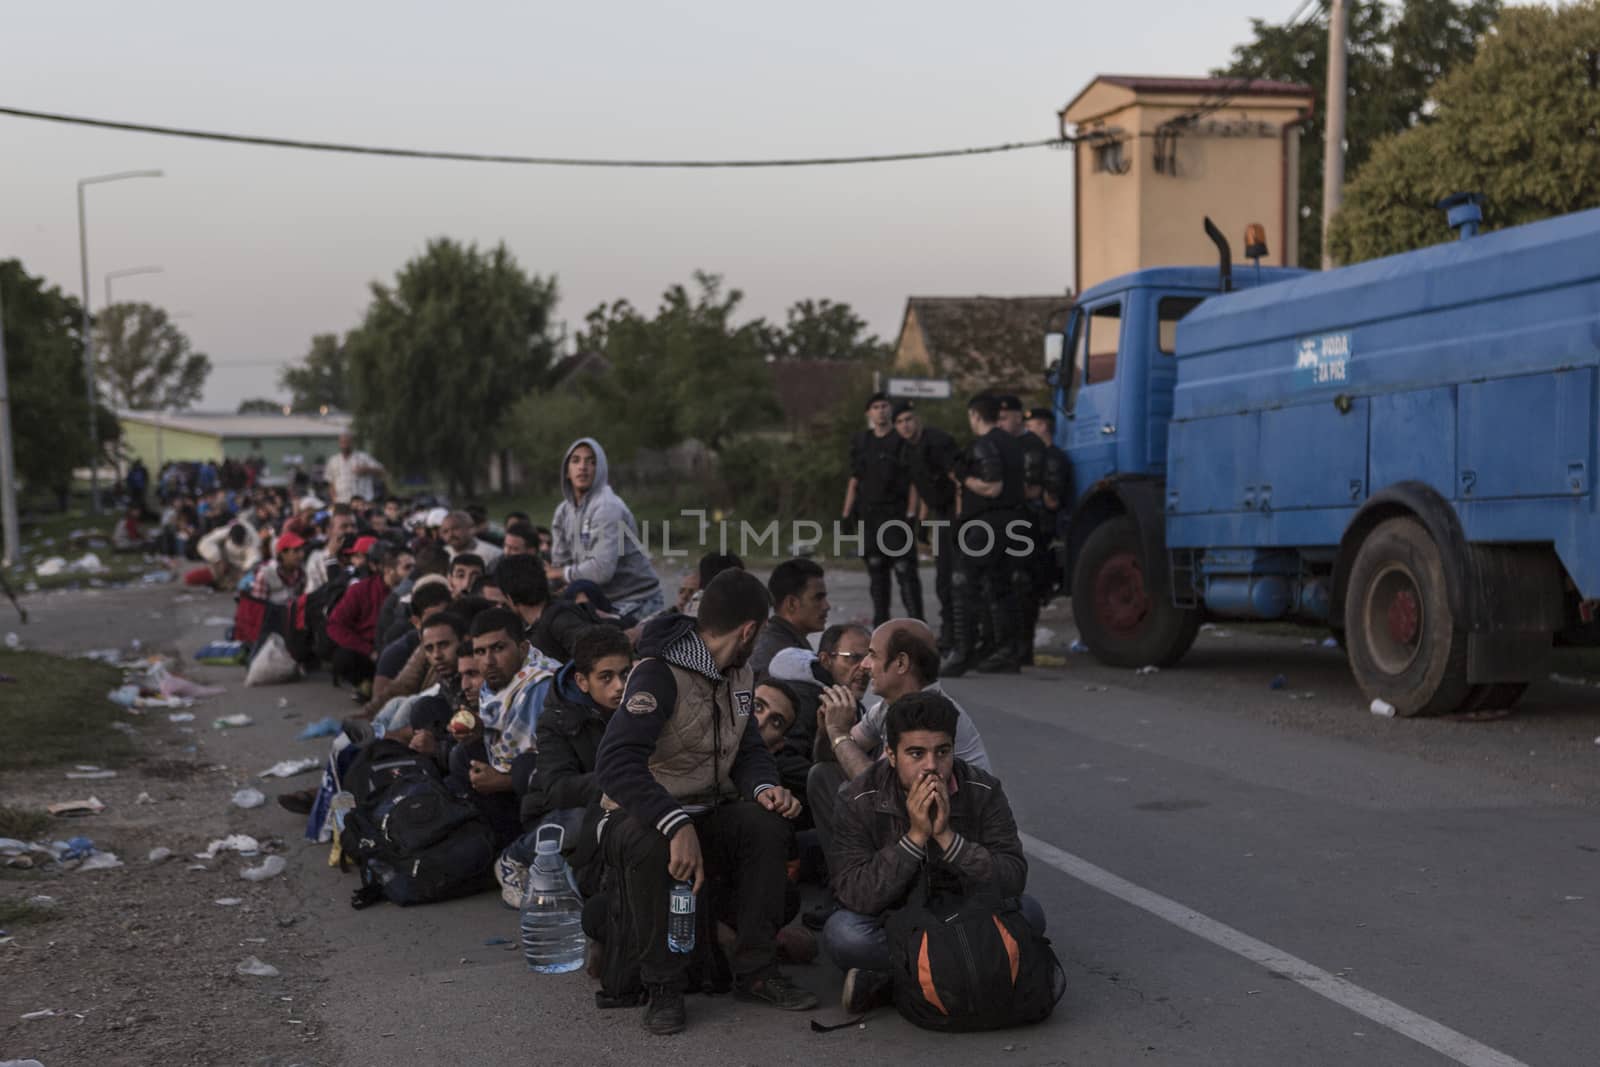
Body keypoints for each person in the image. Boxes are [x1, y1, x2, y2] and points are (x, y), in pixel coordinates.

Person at [595, 569, 817, 1034]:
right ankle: (663, 987)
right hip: (645, 815)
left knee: (768, 825)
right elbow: (615, 765)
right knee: (653, 845)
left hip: (709, 810)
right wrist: (675, 824)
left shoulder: (740, 672)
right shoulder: (658, 673)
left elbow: (749, 749)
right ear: (750, 630)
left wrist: (765, 789)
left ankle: (756, 970)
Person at [823, 690, 1040, 1013]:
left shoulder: (983, 791)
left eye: (942, 752)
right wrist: (915, 837)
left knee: (1031, 914)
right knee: (845, 935)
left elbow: (1012, 877)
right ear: (891, 755)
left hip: (963, 913)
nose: (932, 767)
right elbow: (856, 893)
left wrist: (948, 839)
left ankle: (899, 982)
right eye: (916, 754)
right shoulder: (858, 798)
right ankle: (963, 970)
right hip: (896, 920)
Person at [500, 625, 635, 905]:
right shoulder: (557, 719)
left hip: (619, 801)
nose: (619, 686)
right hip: (560, 811)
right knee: (576, 823)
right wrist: (617, 781)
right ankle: (516, 857)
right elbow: (557, 788)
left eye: (625, 674)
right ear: (582, 682)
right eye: (606, 677)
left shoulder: (640, 706)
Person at [452, 608, 561, 844]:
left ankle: (516, 851)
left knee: (522, 767)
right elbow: (502, 727)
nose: (488, 661)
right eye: (480, 652)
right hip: (513, 768)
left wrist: (504, 782)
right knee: (461, 756)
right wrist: (480, 729)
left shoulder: (543, 685)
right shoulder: (498, 683)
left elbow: (563, 764)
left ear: (522, 648)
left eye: (498, 649)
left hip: (547, 787)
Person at [943, 393, 1028, 676]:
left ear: (975, 416)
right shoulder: (1014, 444)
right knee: (1000, 587)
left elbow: (992, 487)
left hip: (985, 525)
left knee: (963, 585)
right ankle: (1005, 652)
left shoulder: (985, 444)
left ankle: (962, 653)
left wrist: (963, 478)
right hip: (1011, 523)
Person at [550, 437, 665, 620]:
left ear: (600, 469)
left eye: (591, 462)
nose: (583, 467)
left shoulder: (608, 506)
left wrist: (562, 574)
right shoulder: (563, 512)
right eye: (576, 460)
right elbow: (559, 562)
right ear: (567, 471)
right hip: (600, 598)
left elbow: (602, 570)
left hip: (636, 601)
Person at [843, 392, 920, 628]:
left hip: (896, 514)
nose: (881, 410)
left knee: (905, 571)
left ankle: (917, 625)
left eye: (884, 406)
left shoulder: (901, 441)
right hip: (870, 515)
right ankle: (881, 627)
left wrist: (911, 514)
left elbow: (913, 482)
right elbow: (855, 479)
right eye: (875, 406)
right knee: (877, 574)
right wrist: (846, 513)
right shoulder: (862, 442)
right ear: (869, 413)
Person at [895, 402, 961, 651]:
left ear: (917, 419)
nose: (905, 426)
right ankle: (950, 633)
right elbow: (921, 486)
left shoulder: (937, 442)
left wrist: (961, 516)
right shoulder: (907, 450)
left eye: (908, 419)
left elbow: (958, 480)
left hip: (956, 511)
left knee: (957, 577)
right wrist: (921, 521)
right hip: (940, 512)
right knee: (943, 577)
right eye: (900, 422)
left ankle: (962, 636)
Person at [325, 546, 414, 694]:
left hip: (402, 651)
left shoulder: (416, 589)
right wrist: (368, 650)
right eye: (407, 567)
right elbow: (335, 625)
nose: (412, 573)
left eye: (414, 567)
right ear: (388, 570)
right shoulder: (361, 590)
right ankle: (365, 685)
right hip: (370, 653)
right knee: (344, 658)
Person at [999, 395, 1045, 665]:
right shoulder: (1003, 443)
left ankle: (1023, 647)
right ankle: (1009, 644)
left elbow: (1033, 488)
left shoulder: (1031, 445)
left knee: (1023, 584)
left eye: (1006, 416)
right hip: (1007, 520)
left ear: (1019, 416)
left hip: (1026, 521)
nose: (1003, 422)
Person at [749, 558, 830, 679]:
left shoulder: (776, 641)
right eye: (818, 598)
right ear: (791, 603)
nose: (826, 606)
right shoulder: (783, 655)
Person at [305, 504, 357, 594]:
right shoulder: (316, 559)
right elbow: (313, 595)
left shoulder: (361, 555)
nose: (350, 530)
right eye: (344, 527)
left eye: (353, 526)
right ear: (329, 530)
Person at [323, 432, 385, 505]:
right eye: (342, 442)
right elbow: (331, 483)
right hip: (342, 501)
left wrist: (366, 469)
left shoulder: (363, 457)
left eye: (347, 442)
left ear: (352, 443)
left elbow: (382, 470)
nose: (345, 445)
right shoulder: (333, 460)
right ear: (339, 443)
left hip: (363, 501)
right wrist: (334, 500)